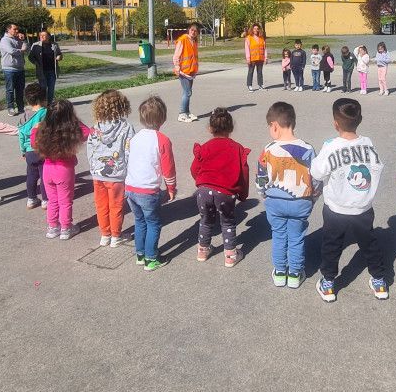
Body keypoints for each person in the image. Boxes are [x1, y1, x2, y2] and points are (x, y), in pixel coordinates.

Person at [310, 98, 388, 302]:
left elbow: (317, 172)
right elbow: (378, 167)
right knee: (369, 242)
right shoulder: (368, 144)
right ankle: (379, 280)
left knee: (332, 245)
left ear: (335, 123)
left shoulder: (331, 146)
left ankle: (328, 283)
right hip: (363, 206)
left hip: (336, 208)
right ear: (360, 119)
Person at [256, 102, 319, 289]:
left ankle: (280, 271)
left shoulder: (268, 149)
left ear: (274, 126)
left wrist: (263, 194)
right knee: (297, 237)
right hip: (301, 202)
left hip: (275, 201)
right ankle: (295, 273)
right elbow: (315, 177)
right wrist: (313, 197)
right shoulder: (307, 149)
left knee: (279, 235)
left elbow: (261, 175)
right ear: (293, 123)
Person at [191, 108, 251, 267]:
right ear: (231, 128)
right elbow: (244, 173)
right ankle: (230, 255)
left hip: (204, 190)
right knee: (227, 222)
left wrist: (201, 181)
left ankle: (202, 250)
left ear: (210, 129)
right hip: (225, 192)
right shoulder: (237, 148)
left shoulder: (205, 147)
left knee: (205, 220)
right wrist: (243, 194)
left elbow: (194, 168)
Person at [125, 95, 177, 271]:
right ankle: (151, 259)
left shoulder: (135, 138)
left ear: (141, 118)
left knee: (140, 222)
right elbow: (168, 167)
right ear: (163, 118)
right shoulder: (162, 139)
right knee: (154, 223)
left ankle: (140, 254)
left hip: (131, 188)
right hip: (148, 191)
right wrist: (171, 188)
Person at [32, 99, 92, 241]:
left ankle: (52, 227)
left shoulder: (44, 129)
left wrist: (35, 128)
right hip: (64, 170)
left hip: (47, 169)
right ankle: (66, 228)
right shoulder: (71, 130)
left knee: (52, 200)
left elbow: (34, 143)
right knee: (65, 201)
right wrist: (74, 120)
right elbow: (87, 132)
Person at [87, 89, 136, 247]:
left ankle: (105, 235)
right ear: (122, 106)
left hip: (98, 173)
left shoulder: (95, 128)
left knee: (101, 205)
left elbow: (90, 149)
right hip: (117, 174)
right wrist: (129, 170)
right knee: (116, 205)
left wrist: (93, 166)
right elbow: (130, 150)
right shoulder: (126, 127)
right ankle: (116, 236)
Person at [18, 83, 48, 210]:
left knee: (31, 176)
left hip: (29, 151)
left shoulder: (24, 116)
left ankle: (31, 199)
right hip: (42, 149)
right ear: (44, 99)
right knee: (44, 176)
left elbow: (21, 135)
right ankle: (46, 200)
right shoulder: (45, 113)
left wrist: (22, 150)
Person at [173, 22, 200, 123]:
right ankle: (182, 113)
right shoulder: (183, 40)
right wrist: (177, 66)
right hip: (183, 71)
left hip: (191, 71)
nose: (193, 32)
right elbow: (176, 55)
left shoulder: (194, 41)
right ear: (188, 29)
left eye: (195, 31)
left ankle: (187, 112)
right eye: (192, 30)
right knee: (187, 93)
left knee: (188, 92)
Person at [0, 22, 28, 116]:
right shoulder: (5, 40)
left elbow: (27, 49)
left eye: (17, 29)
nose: (17, 31)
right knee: (10, 89)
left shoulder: (18, 39)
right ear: (8, 30)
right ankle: (10, 108)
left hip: (20, 68)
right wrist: (21, 50)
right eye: (14, 29)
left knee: (20, 89)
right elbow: (11, 51)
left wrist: (24, 40)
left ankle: (21, 107)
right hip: (9, 68)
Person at [28, 30, 63, 105]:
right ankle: (43, 103)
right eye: (41, 35)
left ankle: (49, 103)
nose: (42, 37)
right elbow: (30, 56)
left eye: (44, 35)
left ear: (48, 37)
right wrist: (35, 62)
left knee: (51, 89)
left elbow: (60, 54)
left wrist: (59, 57)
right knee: (43, 88)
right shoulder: (36, 45)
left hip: (52, 70)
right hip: (42, 71)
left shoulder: (54, 45)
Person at [245, 23, 268, 92]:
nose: (256, 30)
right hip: (252, 58)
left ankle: (260, 85)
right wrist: (248, 58)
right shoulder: (249, 38)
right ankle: (249, 86)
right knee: (250, 72)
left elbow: (265, 48)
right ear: (252, 29)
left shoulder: (261, 38)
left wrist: (265, 58)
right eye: (254, 29)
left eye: (257, 29)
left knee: (260, 72)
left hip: (260, 58)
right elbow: (247, 49)